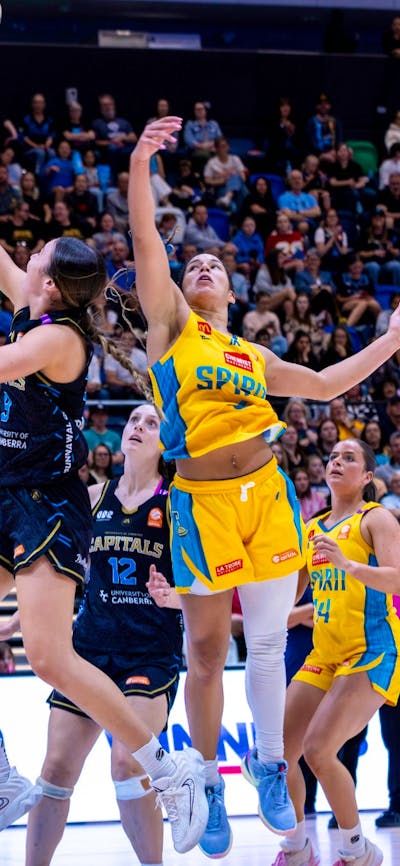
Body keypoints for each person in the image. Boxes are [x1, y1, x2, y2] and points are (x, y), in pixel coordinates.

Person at [128, 116, 400, 859]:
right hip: (202, 503)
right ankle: (212, 787)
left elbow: (324, 382)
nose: (207, 267)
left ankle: (270, 770)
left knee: (275, 642)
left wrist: (391, 339)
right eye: (198, 264)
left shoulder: (252, 352)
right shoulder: (171, 329)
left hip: (268, 495)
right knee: (209, 651)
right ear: (184, 286)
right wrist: (141, 162)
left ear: (234, 285)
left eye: (218, 264)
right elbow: (148, 242)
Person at [0, 236, 208, 854]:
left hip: (47, 504)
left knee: (48, 658)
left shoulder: (61, 336)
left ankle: (169, 773)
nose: (29, 252)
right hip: (8, 494)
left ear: (54, 284)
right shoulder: (30, 303)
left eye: (40, 251)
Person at [24, 403, 183, 866]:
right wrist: (22, 618)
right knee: (54, 770)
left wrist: (177, 597)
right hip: (89, 650)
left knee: (128, 763)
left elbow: (207, 583)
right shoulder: (92, 497)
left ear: (165, 443)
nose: (138, 427)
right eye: (134, 420)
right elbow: (55, 566)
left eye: (152, 423)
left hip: (148, 655)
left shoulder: (176, 504)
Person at [271, 438, 400, 866]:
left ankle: (356, 850)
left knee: (319, 751)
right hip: (324, 653)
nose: (336, 462)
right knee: (277, 756)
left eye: (349, 458)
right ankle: (296, 849)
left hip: (372, 650)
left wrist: (349, 566)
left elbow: (397, 580)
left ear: (367, 476)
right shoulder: (312, 528)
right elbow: (291, 597)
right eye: (332, 457)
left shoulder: (375, 519)